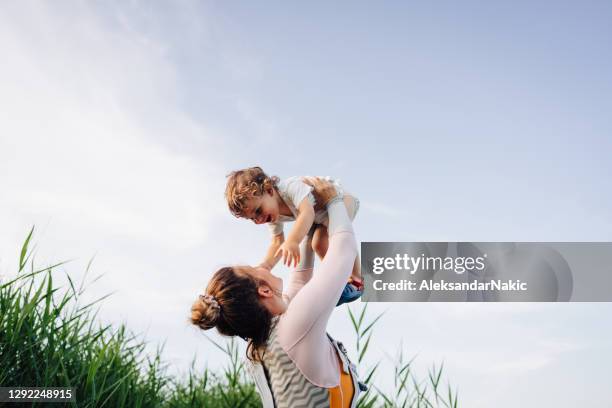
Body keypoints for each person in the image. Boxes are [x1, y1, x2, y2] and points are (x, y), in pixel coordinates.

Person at [192, 177, 364, 407]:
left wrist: (310, 221)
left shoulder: (262, 342)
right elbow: (344, 251)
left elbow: (300, 279)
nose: (261, 266)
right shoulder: (295, 328)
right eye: (254, 269)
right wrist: (333, 201)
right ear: (263, 290)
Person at [224, 166, 362, 305]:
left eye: (258, 211)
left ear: (269, 190)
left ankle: (357, 279)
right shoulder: (272, 215)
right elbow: (277, 242)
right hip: (322, 215)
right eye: (252, 218)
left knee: (333, 238)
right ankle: (342, 279)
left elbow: (307, 213)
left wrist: (293, 241)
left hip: (341, 199)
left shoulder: (290, 187)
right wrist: (266, 266)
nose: (259, 220)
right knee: (318, 245)